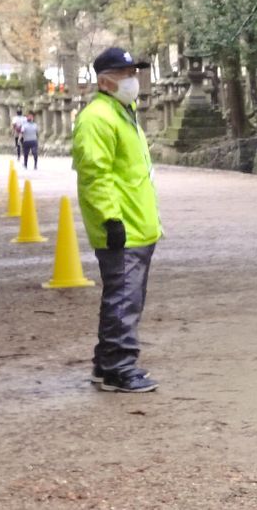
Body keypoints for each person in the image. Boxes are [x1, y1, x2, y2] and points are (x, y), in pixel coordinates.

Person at [72, 47, 161, 393]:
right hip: (122, 225)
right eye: (125, 74)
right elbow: (95, 174)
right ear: (105, 79)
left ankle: (107, 361)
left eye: (133, 72)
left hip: (137, 221)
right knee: (123, 298)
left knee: (126, 296)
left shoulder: (123, 112)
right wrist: (111, 219)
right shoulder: (98, 118)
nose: (132, 79)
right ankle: (118, 367)